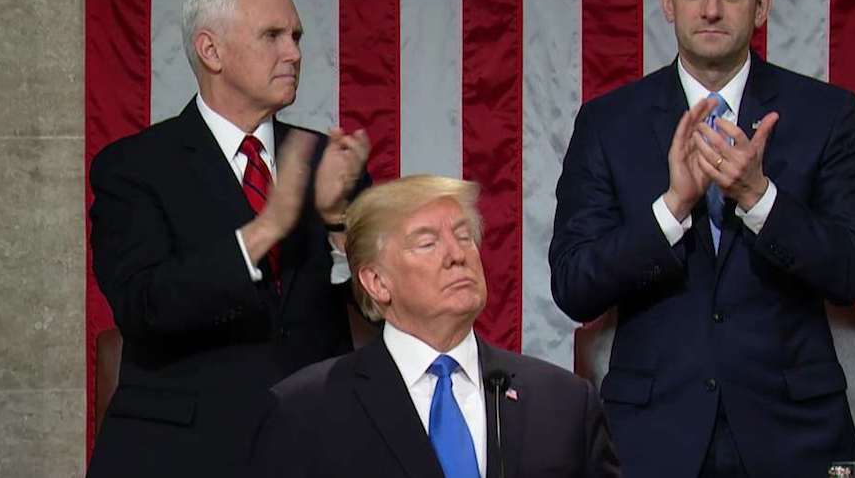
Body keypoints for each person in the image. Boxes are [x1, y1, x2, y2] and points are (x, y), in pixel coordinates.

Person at [549, 0, 855, 478]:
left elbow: (853, 271)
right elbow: (575, 284)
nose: (710, 10)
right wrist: (672, 208)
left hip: (793, 434)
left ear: (763, 5)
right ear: (667, 1)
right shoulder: (609, 123)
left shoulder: (827, 114)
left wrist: (759, 197)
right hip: (654, 436)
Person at [87, 0, 370, 478]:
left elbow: (381, 307)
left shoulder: (327, 161)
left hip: (313, 445)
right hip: (180, 450)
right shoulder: (133, 167)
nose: (294, 53)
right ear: (210, 51)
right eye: (272, 36)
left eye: (297, 36)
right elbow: (144, 305)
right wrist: (265, 229)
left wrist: (339, 226)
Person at [251, 175, 621, 478]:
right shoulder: (307, 410)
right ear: (377, 282)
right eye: (427, 243)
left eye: (463, 236)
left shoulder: (565, 402)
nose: (457, 255)